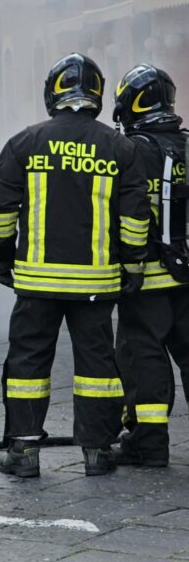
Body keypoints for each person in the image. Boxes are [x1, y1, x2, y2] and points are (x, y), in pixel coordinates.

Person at [0, 53, 150, 477]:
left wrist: (3, 257)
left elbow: (2, 208)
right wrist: (133, 266)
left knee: (27, 364)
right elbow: (135, 218)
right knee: (97, 367)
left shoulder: (24, 143)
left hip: (36, 283)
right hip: (96, 283)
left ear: (53, 92)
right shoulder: (120, 147)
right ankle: (97, 453)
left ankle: (23, 453)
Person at [112, 64, 189, 467]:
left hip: (149, 282)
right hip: (188, 278)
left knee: (144, 360)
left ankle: (149, 444)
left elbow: (125, 212)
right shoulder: (187, 144)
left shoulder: (131, 151)